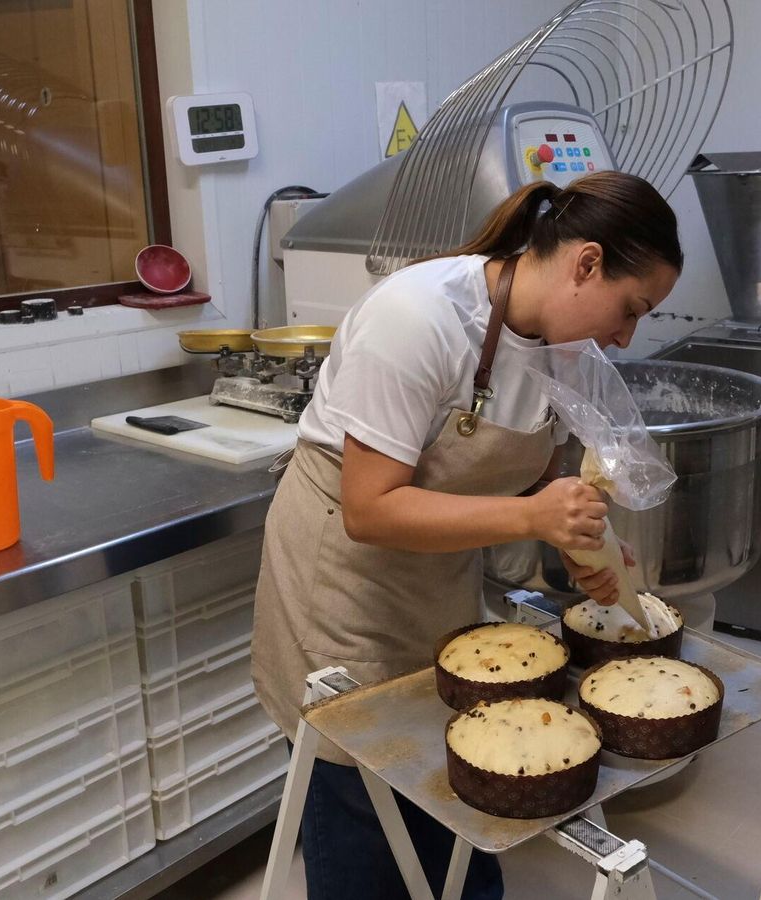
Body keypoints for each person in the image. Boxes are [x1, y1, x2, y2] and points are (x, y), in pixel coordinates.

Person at [250, 170, 682, 900]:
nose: (625, 335)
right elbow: (372, 509)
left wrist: (588, 552)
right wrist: (533, 516)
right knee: (364, 806)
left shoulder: (563, 348)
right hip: (345, 587)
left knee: (457, 784)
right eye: (630, 308)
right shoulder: (417, 318)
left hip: (438, 583)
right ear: (585, 263)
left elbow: (541, 484)